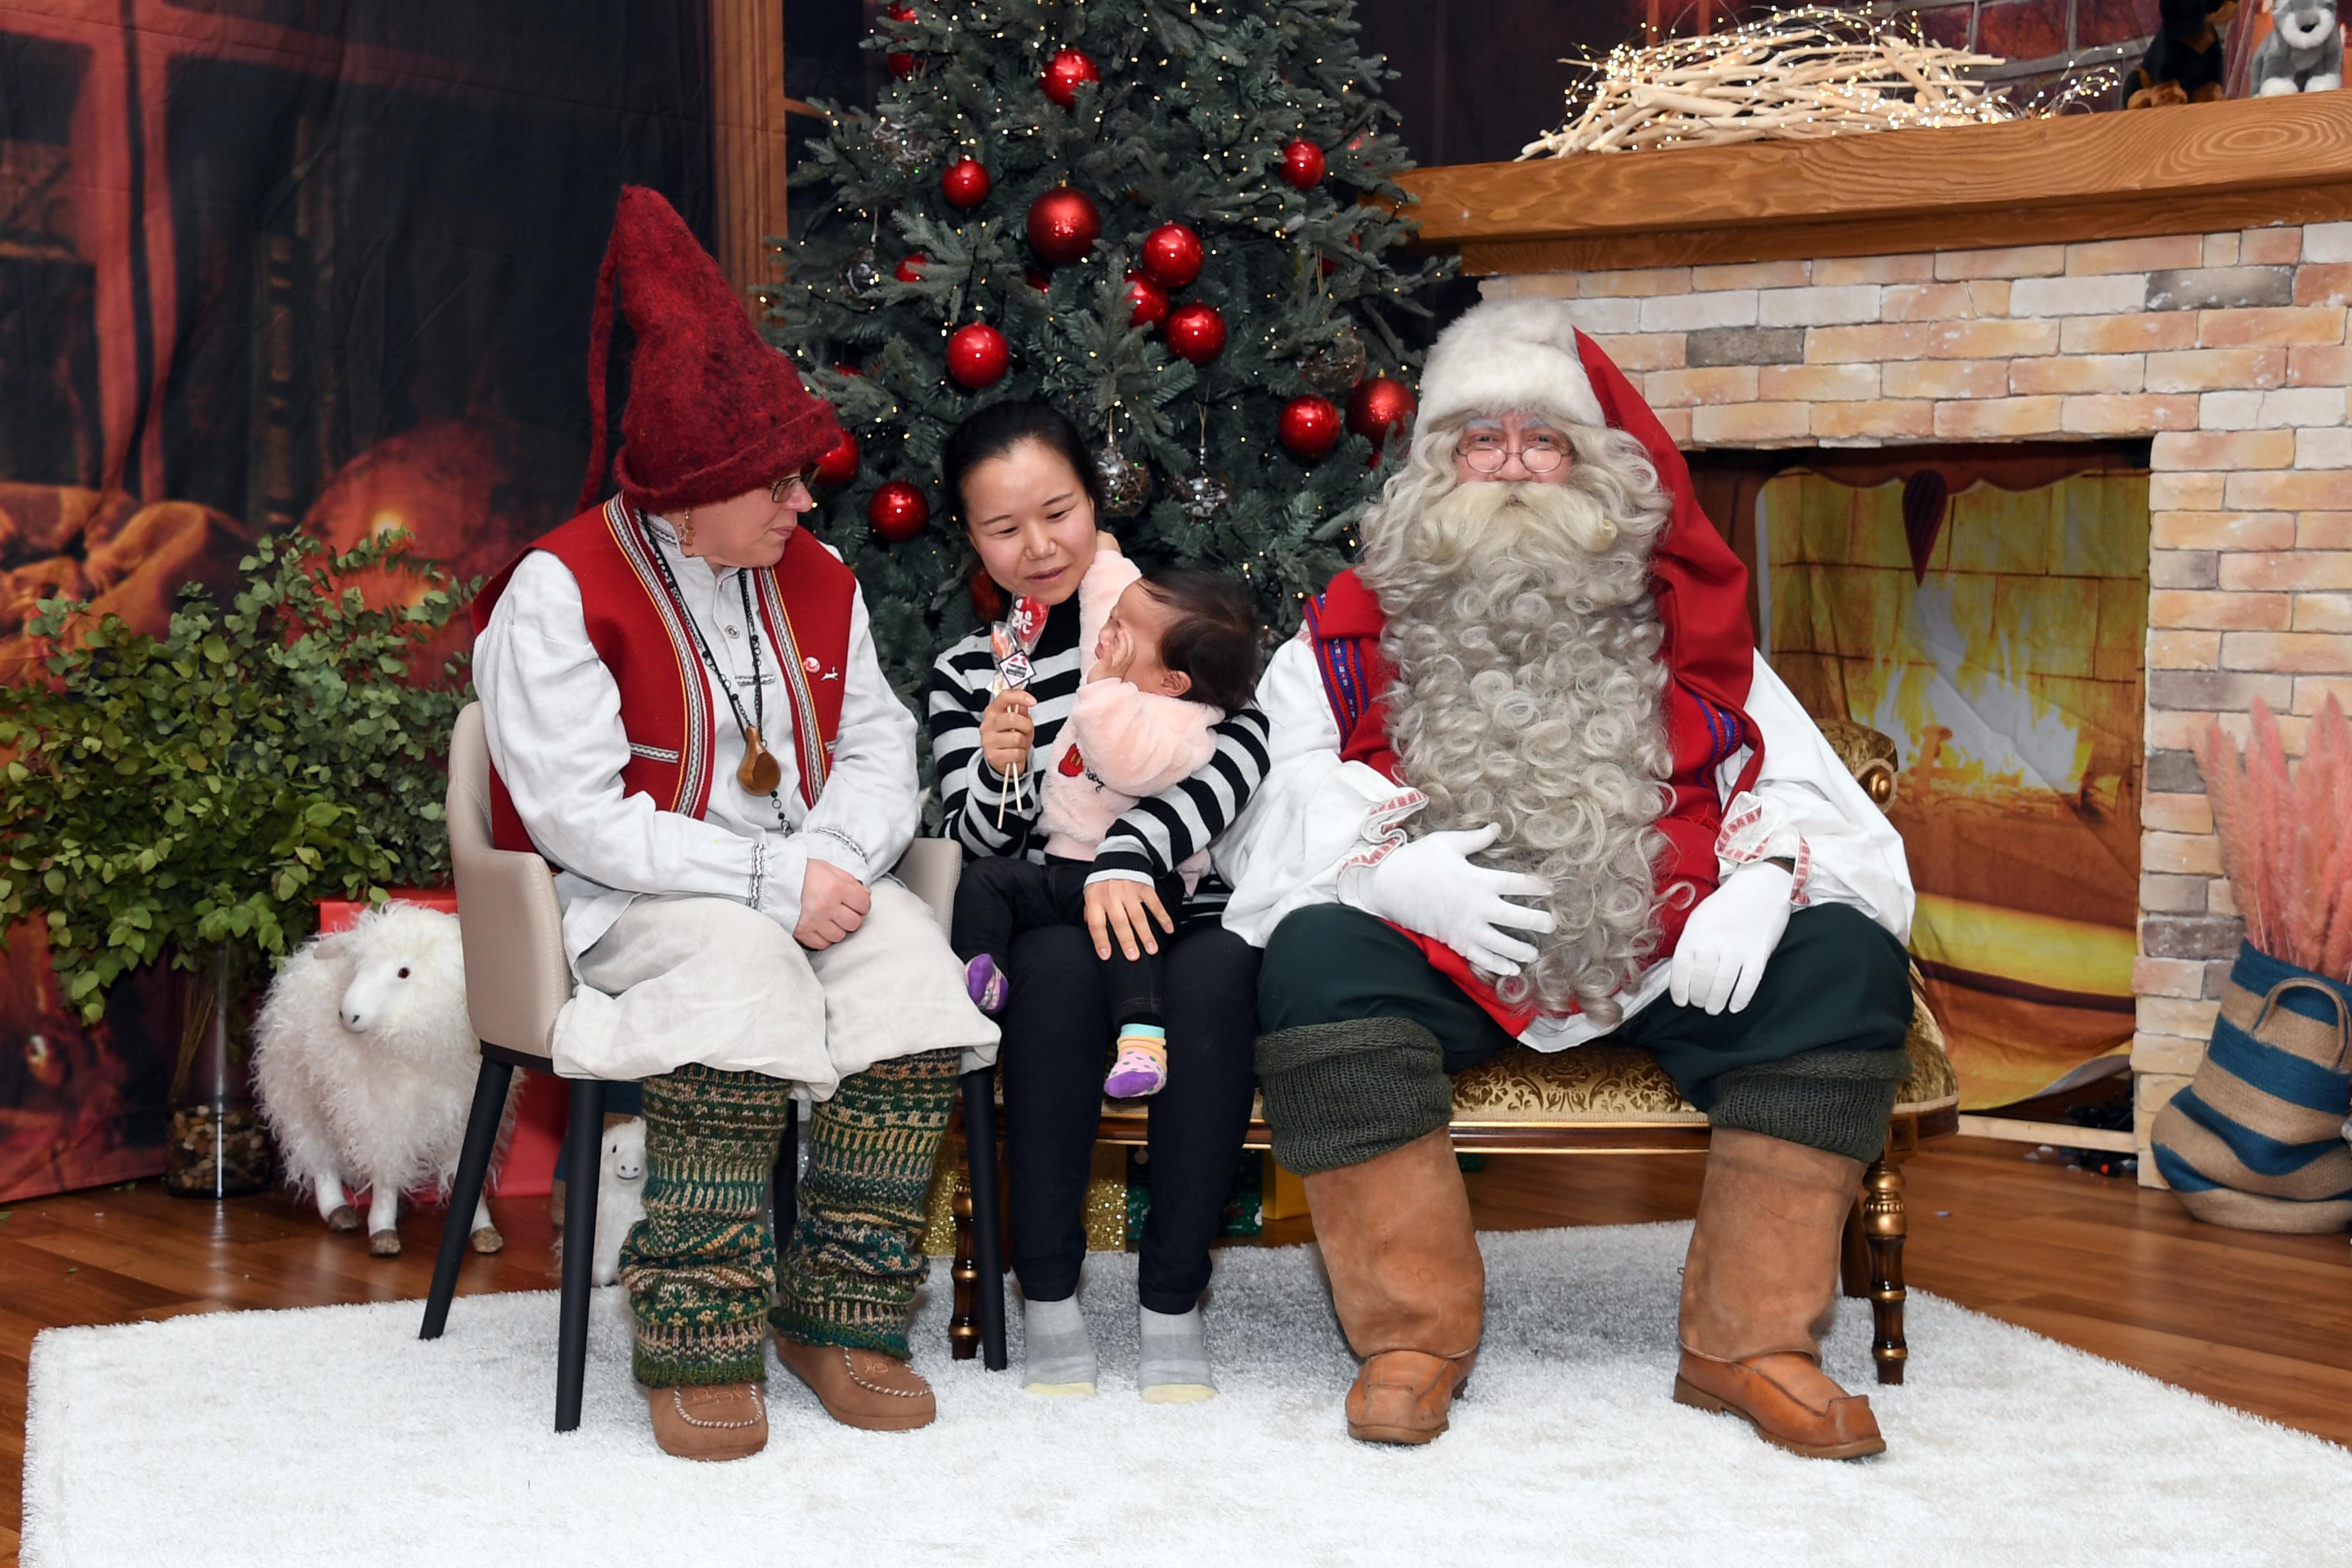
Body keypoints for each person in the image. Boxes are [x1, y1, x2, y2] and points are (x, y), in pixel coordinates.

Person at [1220, 296, 1916, 1456]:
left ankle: (1746, 1343)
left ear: (1596, 470)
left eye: (1541, 441)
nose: (1511, 470)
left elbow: (1802, 788)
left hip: (1656, 949)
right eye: (1477, 440)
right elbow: (1270, 788)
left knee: (1841, 962)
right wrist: (1387, 871)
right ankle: (1410, 1334)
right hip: (1445, 952)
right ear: (1431, 468)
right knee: (1316, 958)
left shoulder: (1687, 627)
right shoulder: (1343, 634)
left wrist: (1760, 881)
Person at [471, 187, 998, 1461]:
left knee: (916, 978)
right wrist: (771, 884)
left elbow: (880, 747)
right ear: (687, 492)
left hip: (811, 879)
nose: (804, 507)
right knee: (741, 968)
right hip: (624, 906)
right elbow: (580, 817)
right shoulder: (559, 589)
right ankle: (699, 1334)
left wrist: (825, 859)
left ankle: (841, 1314)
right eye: (774, 485)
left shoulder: (817, 579)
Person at [925, 399, 1266, 1402]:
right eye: (1002, 528)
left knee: (1213, 984)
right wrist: (1002, 766)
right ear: (971, 540)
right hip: (1051, 911)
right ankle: (1051, 1299)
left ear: (1096, 502)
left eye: (1057, 512)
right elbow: (982, 842)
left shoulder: (1167, 615)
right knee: (1058, 978)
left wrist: (1135, 852)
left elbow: (1244, 747)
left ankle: (1172, 1301)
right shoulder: (967, 671)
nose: (1037, 547)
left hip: (1182, 906)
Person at [952, 539, 1260, 1100]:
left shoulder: (1181, 723)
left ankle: (1142, 1038)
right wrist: (1105, 555)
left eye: (1122, 633)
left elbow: (1123, 762)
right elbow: (1107, 603)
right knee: (986, 880)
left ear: (1174, 680)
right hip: (1067, 869)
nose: (1105, 635)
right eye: (1113, 619)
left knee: (1125, 932)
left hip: (1144, 881)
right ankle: (984, 972)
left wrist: (1100, 688)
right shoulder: (1122, 655)